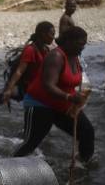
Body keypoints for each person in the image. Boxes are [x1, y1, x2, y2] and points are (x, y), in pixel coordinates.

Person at [13, 26, 94, 163]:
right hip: (41, 105)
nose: (82, 48)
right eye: (79, 45)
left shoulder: (75, 56)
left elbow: (75, 81)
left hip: (63, 106)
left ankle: (82, 165)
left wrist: (80, 96)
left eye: (84, 45)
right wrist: (69, 97)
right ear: (68, 41)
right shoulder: (56, 56)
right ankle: (9, 168)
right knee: (30, 143)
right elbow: (48, 85)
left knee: (87, 132)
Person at [0, 21, 55, 107]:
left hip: (42, 90)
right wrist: (9, 89)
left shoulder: (46, 49)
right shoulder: (30, 50)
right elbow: (19, 71)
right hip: (32, 92)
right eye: (52, 34)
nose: (53, 37)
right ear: (43, 34)